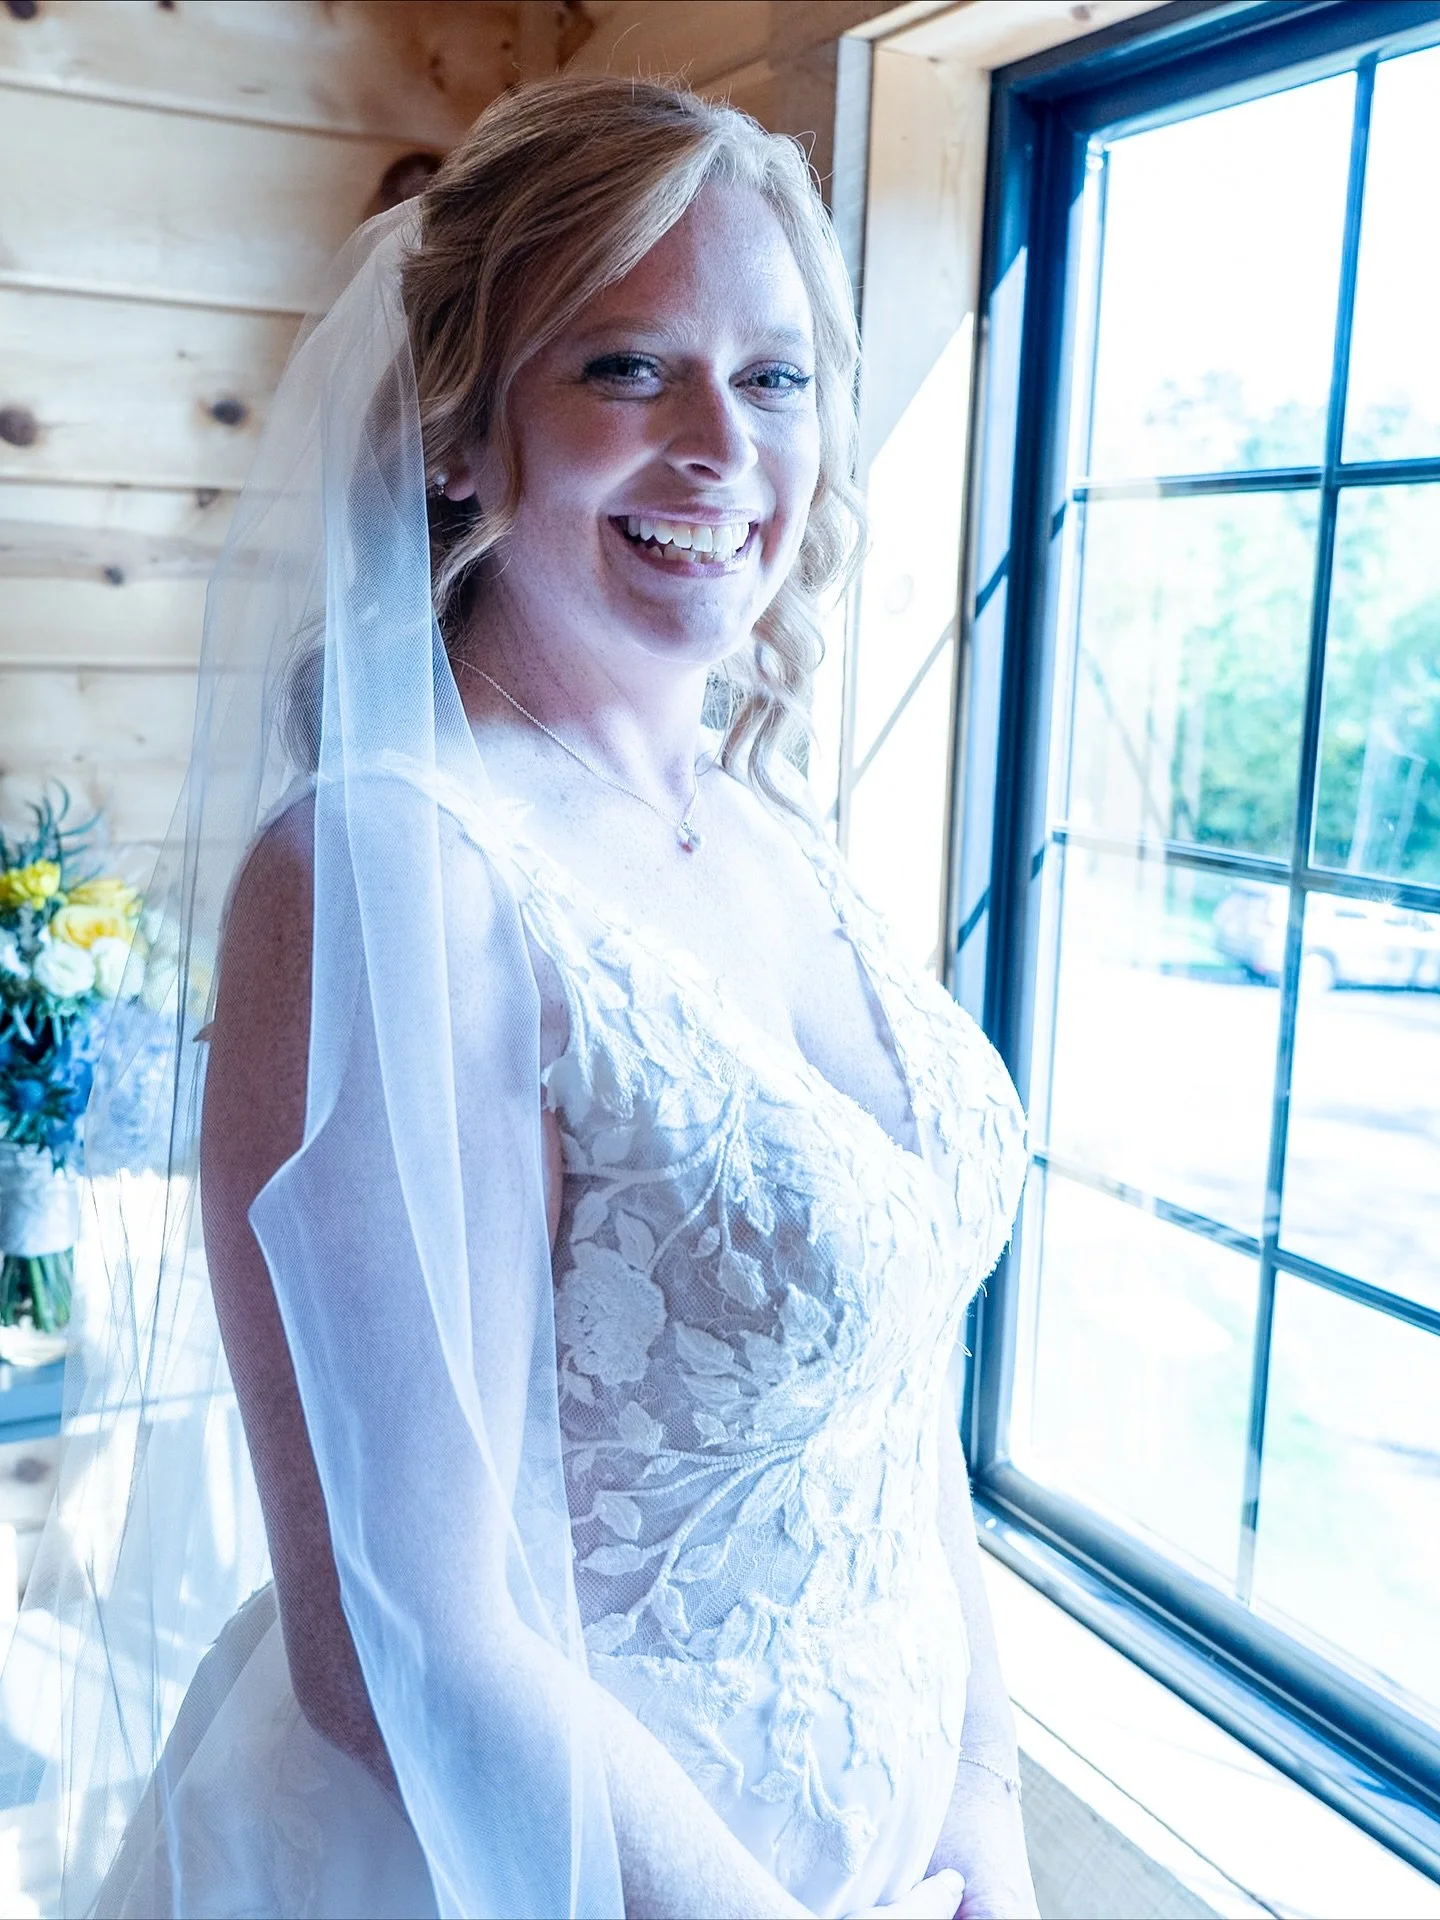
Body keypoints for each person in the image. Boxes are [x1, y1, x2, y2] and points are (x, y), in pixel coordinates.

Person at [10, 77, 1035, 1920]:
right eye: (629, 368)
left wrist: (984, 1804)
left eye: (778, 375)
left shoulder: (774, 825)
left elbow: (882, 1396)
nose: (725, 443)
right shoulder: (392, 880)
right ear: (464, 437)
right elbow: (405, 1638)